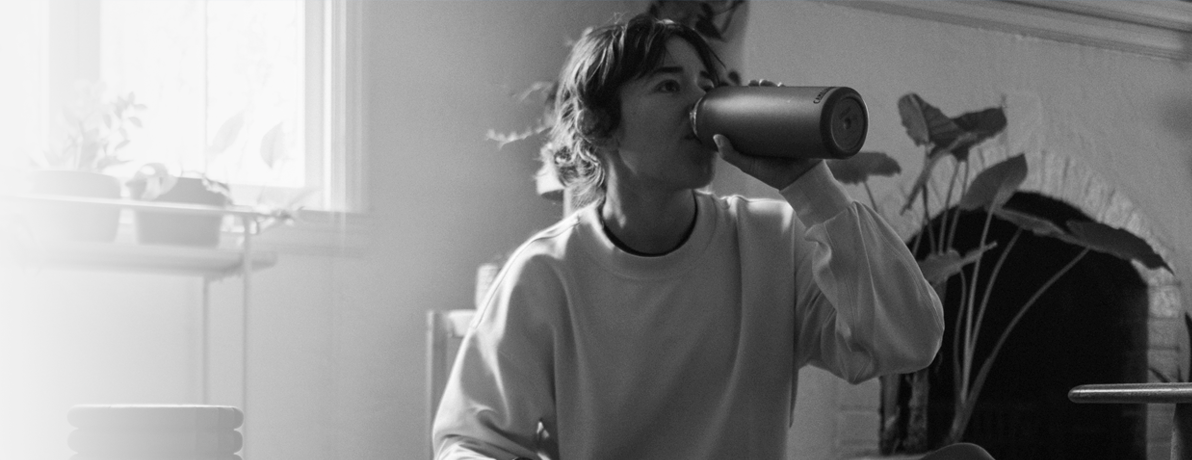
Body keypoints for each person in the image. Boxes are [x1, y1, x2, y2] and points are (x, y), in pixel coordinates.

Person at [432, 13, 975, 460]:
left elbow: (911, 339)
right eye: (669, 86)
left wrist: (810, 183)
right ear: (601, 127)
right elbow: (471, 441)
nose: (697, 106)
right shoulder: (547, 273)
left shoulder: (772, 239)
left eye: (706, 88)